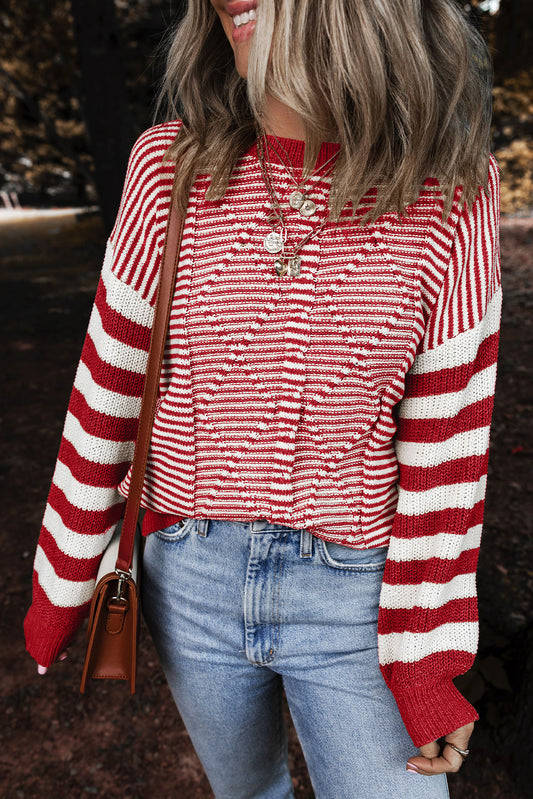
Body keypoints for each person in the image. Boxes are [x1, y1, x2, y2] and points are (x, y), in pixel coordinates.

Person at [24, 1, 501, 796]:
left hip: (359, 599)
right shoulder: (166, 167)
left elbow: (450, 444)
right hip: (189, 575)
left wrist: (430, 656)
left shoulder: (450, 188)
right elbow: (106, 386)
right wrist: (62, 585)